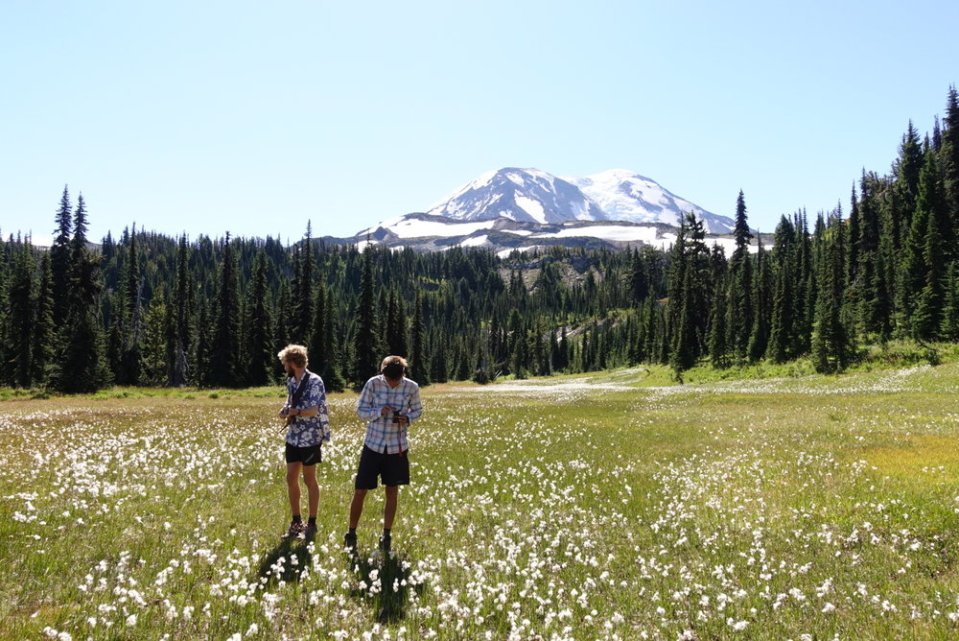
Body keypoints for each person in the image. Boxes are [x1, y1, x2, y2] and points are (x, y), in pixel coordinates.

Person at [344, 355, 422, 553]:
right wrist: (379, 411)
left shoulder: (412, 387)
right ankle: (351, 532)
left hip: (397, 448)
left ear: (403, 374)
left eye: (396, 380)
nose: (393, 383)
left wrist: (407, 418)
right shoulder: (373, 384)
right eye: (389, 379)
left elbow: (418, 411)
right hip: (373, 445)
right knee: (360, 490)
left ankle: (386, 535)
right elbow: (361, 410)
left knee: (392, 491)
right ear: (383, 373)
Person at [277, 344, 330, 540]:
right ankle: (296, 522)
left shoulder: (315, 381)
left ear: (292, 362)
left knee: (309, 479)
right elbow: (290, 402)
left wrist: (296, 412)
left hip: (310, 437)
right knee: (291, 478)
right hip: (293, 437)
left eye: (285, 362)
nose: (284, 366)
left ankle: (312, 523)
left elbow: (315, 409)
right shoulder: (292, 381)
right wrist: (285, 411)